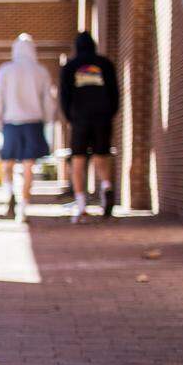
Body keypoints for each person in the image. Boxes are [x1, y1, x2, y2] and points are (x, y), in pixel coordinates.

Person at [0, 33, 54, 224]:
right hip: (33, 123)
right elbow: (48, 100)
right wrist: (47, 120)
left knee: (7, 163)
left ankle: (9, 192)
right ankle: (23, 209)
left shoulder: (5, 70)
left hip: (11, 122)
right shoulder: (41, 71)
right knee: (28, 167)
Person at [59, 31, 119, 222]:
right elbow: (114, 92)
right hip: (102, 117)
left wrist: (71, 117)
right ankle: (107, 187)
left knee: (78, 160)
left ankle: (81, 204)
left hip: (80, 119)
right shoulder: (105, 64)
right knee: (102, 155)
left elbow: (64, 96)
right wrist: (109, 113)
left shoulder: (70, 67)